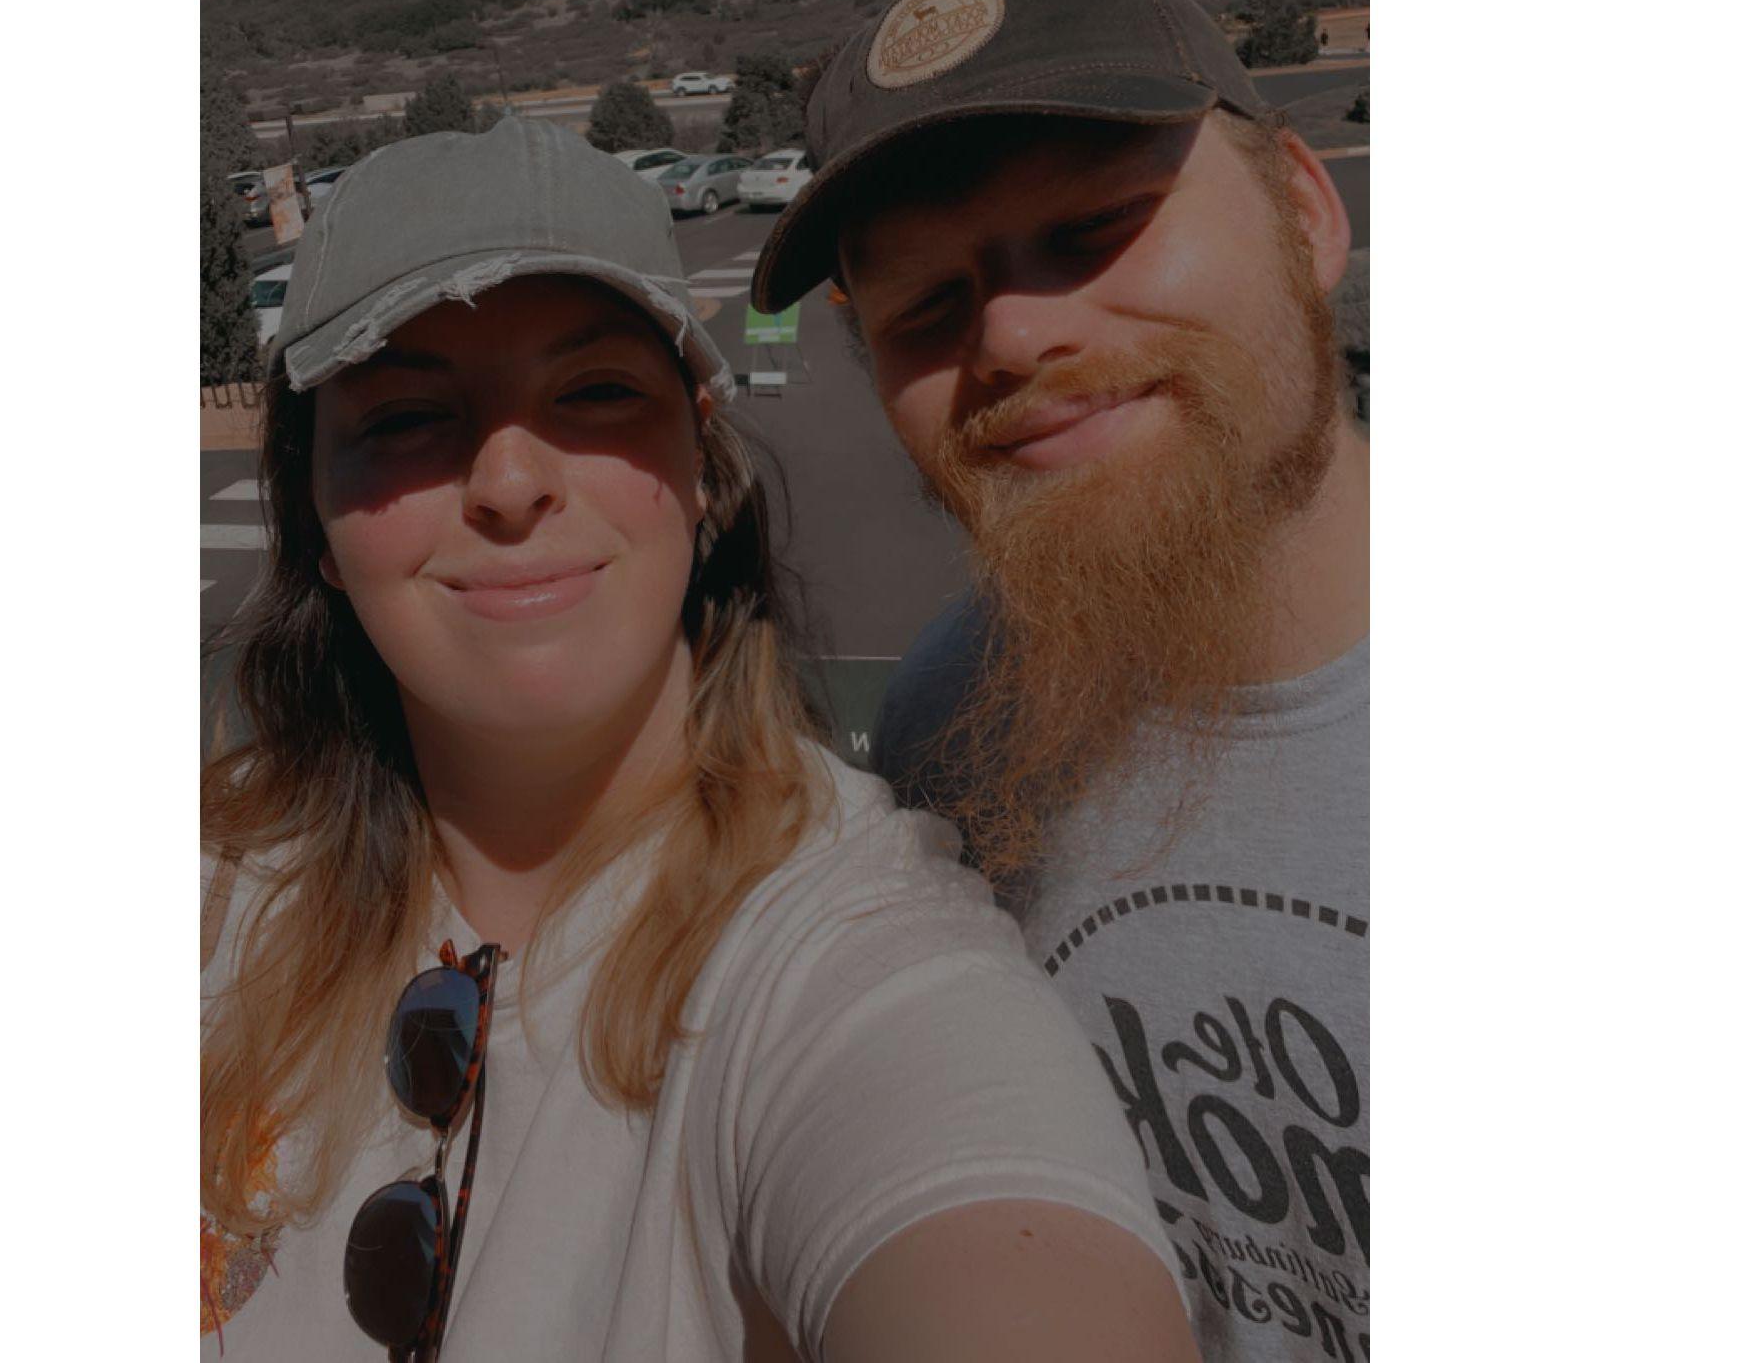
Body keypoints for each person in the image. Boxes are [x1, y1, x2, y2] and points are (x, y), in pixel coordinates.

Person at [200, 113, 1199, 1363]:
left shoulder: (844, 964)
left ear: (703, 465)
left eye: (597, 393)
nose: (509, 481)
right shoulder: (219, 879)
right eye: (406, 416)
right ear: (315, 519)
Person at [750, 0, 1369, 1363]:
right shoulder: (953, 710)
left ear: (1303, 211)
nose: (1016, 334)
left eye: (1093, 230)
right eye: (926, 305)